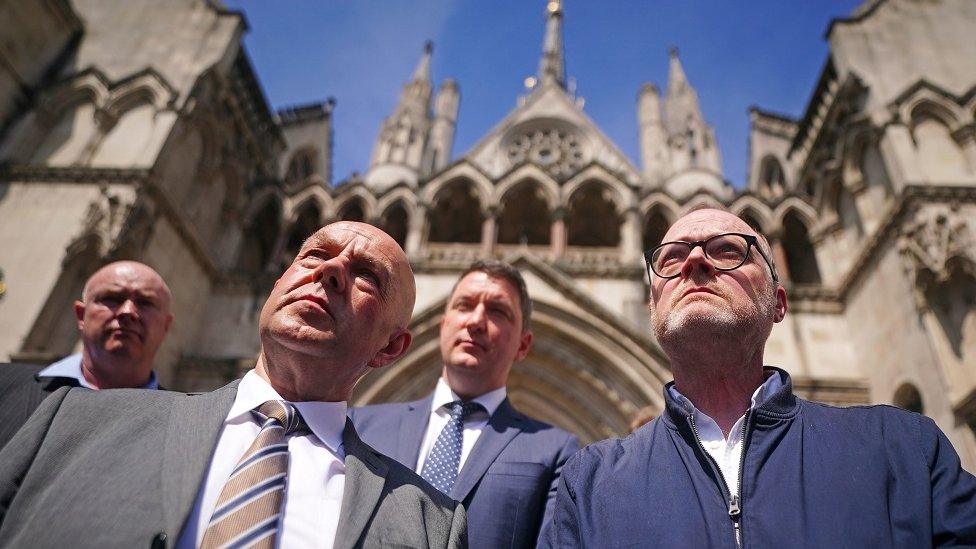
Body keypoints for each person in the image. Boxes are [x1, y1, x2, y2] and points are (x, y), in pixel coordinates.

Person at [0, 222, 465, 548]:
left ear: (390, 349)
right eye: (315, 255)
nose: (330, 271)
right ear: (277, 286)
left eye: (366, 275)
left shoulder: (430, 524)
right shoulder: (75, 420)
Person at [544, 208, 976, 547]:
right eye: (672, 257)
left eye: (728, 251)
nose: (694, 260)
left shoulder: (905, 449)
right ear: (653, 308)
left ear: (778, 304)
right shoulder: (588, 483)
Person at [350, 260, 579, 549]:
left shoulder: (556, 451)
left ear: (523, 344)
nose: (476, 321)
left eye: (498, 311)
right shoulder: (359, 425)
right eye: (464, 305)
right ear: (443, 325)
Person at [0, 260, 173, 449]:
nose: (127, 312)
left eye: (145, 303)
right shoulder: (5, 383)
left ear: (166, 326)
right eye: (112, 299)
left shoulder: (180, 426)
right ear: (81, 315)